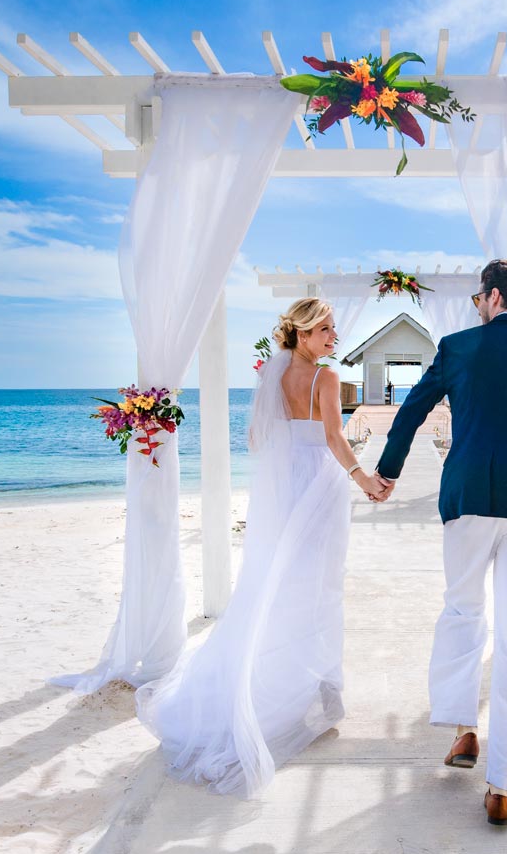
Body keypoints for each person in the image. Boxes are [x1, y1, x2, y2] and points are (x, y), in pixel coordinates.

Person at [370, 260, 507, 826]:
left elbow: (413, 410)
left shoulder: (457, 347)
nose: (476, 304)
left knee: (462, 610)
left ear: (494, 296)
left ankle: (463, 729)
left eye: (478, 296)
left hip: (469, 497)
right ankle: (501, 785)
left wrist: (390, 470)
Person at [134, 298, 389, 797]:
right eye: (326, 330)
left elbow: (257, 436)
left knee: (275, 583)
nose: (334, 337)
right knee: (318, 586)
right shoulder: (327, 379)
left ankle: (300, 684)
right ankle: (314, 693)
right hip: (319, 482)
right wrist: (361, 477)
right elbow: (335, 437)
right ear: (303, 332)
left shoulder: (271, 374)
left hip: (282, 487)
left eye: (334, 329)